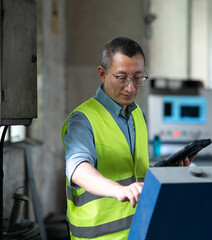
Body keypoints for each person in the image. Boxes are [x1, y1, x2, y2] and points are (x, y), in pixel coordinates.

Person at [61, 37, 195, 240]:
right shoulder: (82, 120)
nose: (131, 88)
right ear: (102, 74)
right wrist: (119, 190)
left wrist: (169, 172)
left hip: (139, 232)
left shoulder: (137, 115)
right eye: (122, 78)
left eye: (138, 78)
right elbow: (78, 169)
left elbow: (136, 174)